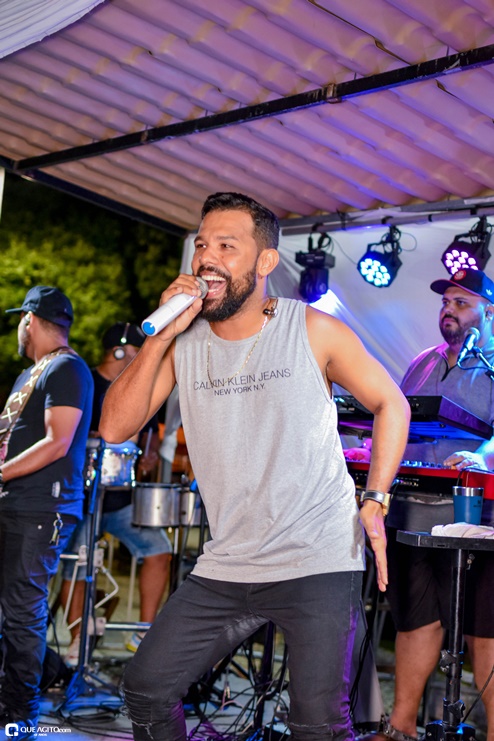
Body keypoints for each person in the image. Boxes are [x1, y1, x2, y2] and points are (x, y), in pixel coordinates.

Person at [99, 191, 410, 741]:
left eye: (226, 246)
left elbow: (393, 404)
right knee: (146, 689)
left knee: (316, 724)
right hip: (229, 563)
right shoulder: (182, 343)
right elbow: (114, 429)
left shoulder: (313, 330)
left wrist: (376, 499)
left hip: (318, 557)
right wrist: (160, 338)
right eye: (201, 245)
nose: (206, 258)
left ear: (266, 262)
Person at [345, 267, 494, 741]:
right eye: (445, 301)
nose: (448, 310)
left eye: (461, 302)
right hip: (414, 510)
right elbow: (398, 421)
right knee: (417, 618)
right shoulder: (423, 362)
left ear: (489, 312)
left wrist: (484, 454)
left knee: (484, 629)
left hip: (477, 515)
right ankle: (401, 725)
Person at [0, 286, 93, 738]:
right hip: (15, 503)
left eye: (20, 321)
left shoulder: (67, 368)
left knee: (22, 610)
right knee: (11, 610)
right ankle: (40, 678)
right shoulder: (29, 375)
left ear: (30, 320)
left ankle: (19, 714)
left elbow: (57, 441)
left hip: (42, 507)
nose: (18, 329)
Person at [59, 322, 172, 664]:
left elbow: (150, 434)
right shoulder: (84, 382)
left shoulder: (140, 387)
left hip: (123, 497)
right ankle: (78, 642)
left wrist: (150, 454)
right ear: (119, 350)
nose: (142, 360)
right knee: (76, 566)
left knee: (159, 550)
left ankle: (144, 634)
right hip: (81, 498)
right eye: (138, 352)